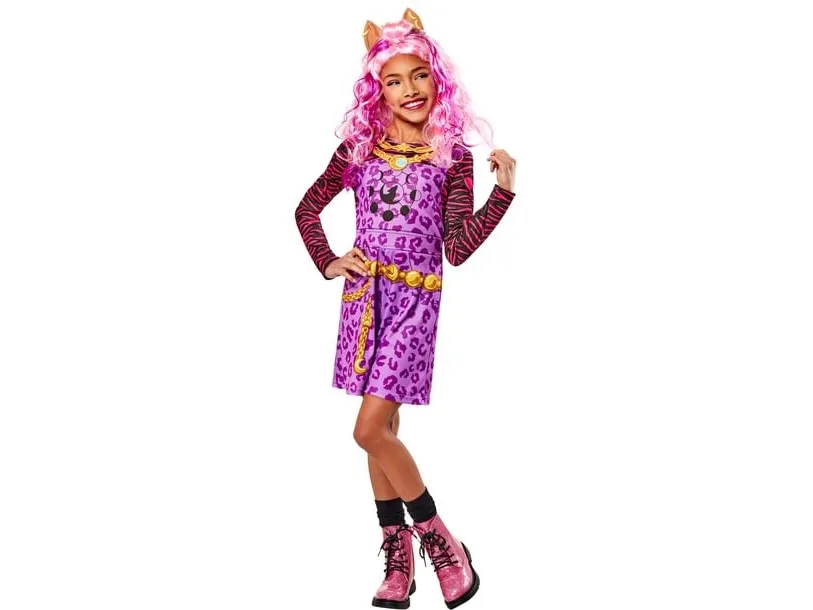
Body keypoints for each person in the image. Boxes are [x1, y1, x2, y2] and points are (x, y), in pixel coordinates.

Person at [294, 8, 517, 609]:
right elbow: (306, 209)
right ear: (378, 89)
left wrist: (503, 193)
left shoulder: (451, 156)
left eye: (419, 75)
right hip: (364, 302)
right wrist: (329, 260)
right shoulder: (359, 150)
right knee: (383, 433)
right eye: (394, 80)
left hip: (416, 304)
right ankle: (399, 557)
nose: (409, 89)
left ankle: (441, 540)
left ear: (437, 79)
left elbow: (458, 247)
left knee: (366, 429)